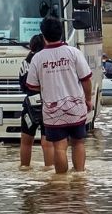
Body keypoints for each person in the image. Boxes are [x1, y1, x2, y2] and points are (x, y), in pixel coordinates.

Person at [25, 17, 93, 174]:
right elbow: (86, 79)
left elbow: (32, 86)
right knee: (78, 143)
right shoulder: (73, 52)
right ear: (61, 33)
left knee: (59, 147)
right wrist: (88, 100)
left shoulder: (38, 58)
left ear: (43, 35)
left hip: (52, 111)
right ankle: (80, 178)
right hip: (76, 107)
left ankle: (61, 182)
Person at [19, 34, 53, 169]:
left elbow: (22, 85)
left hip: (30, 105)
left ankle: (24, 167)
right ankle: (50, 170)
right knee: (47, 142)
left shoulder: (25, 62)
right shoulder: (47, 61)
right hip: (48, 103)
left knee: (26, 141)